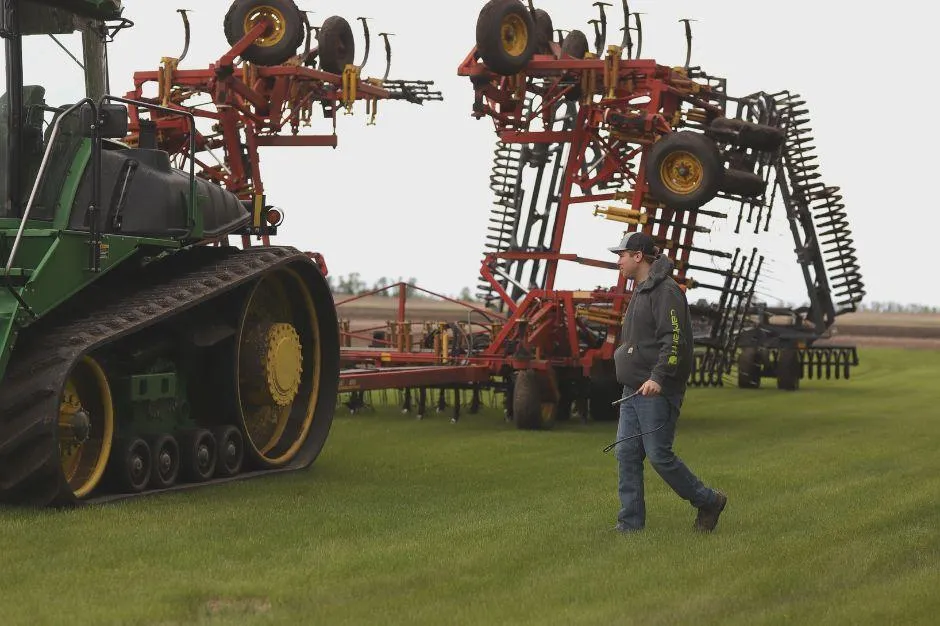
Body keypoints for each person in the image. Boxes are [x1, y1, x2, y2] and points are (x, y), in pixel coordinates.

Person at [608, 231, 726, 533]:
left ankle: (708, 500)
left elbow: (675, 340)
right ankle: (630, 526)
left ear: (638, 256)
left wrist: (658, 378)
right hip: (633, 389)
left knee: (659, 456)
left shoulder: (666, 292)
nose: (618, 260)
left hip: (655, 391)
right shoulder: (642, 289)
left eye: (622, 254)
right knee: (626, 454)